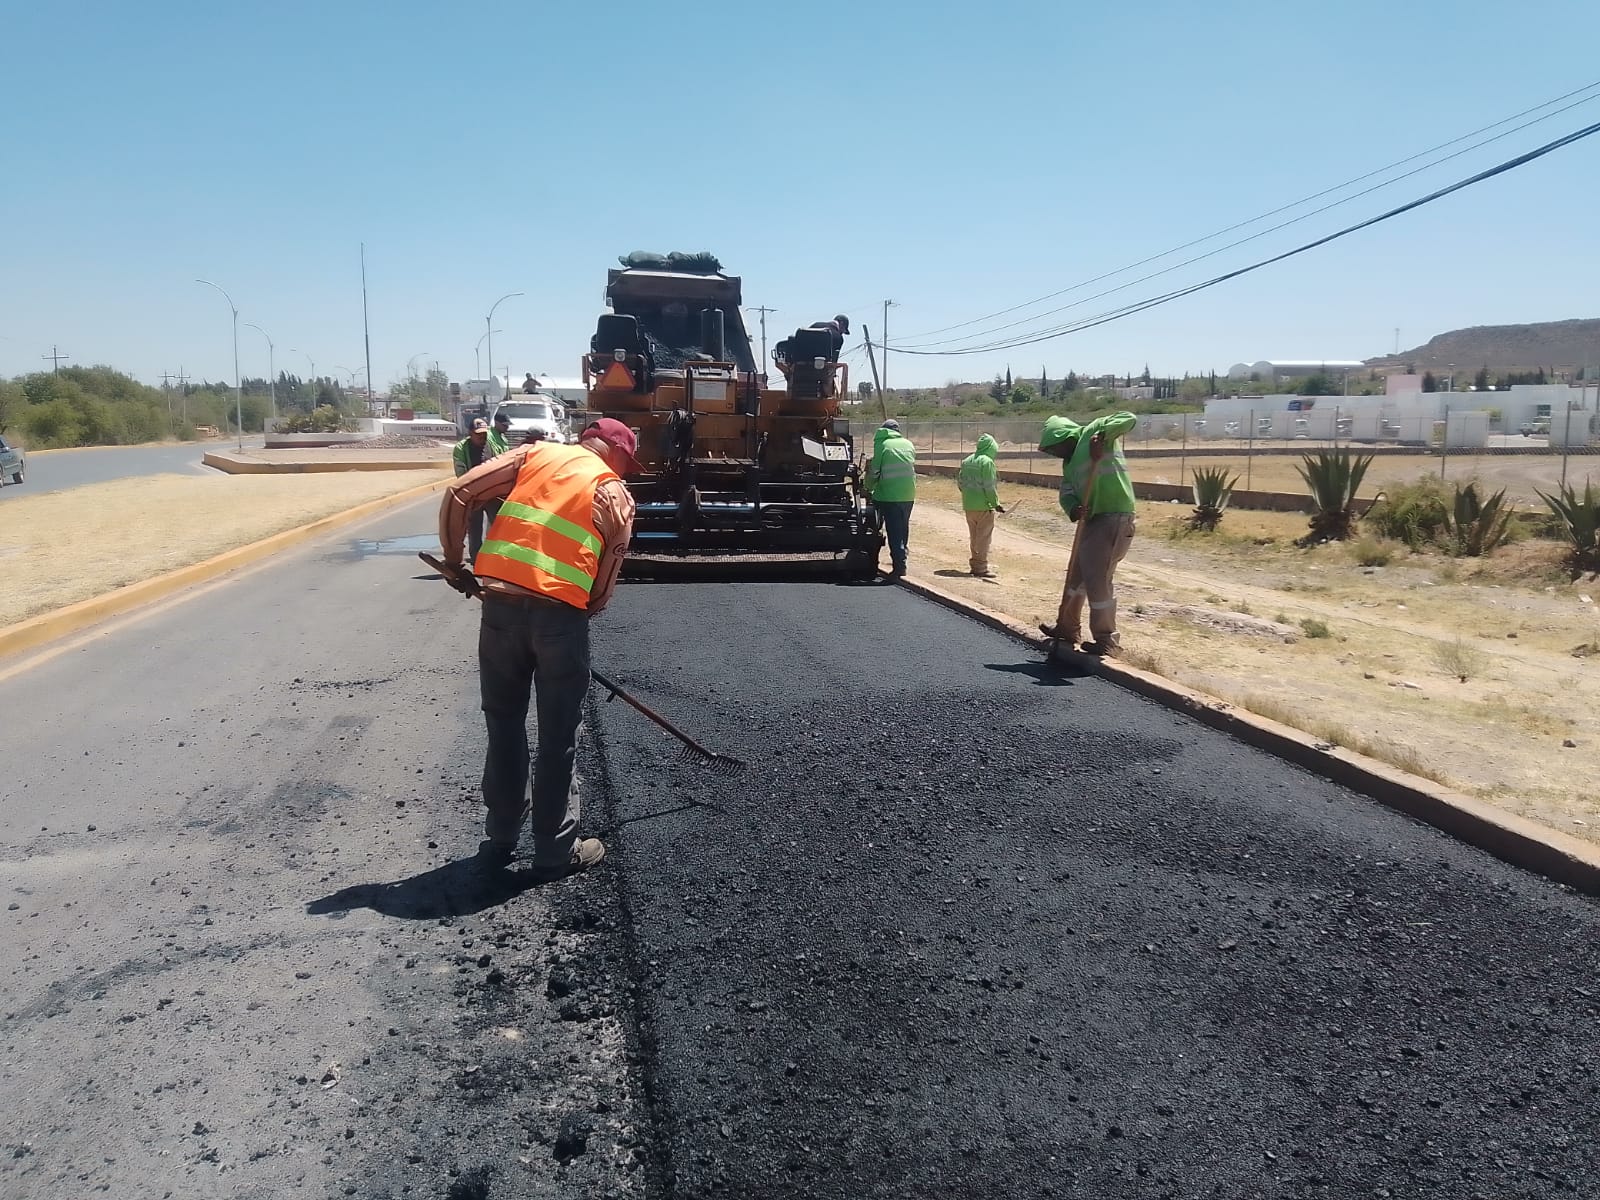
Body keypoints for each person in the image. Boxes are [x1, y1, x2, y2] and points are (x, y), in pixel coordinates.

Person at [438, 418, 640, 879]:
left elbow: (459, 495)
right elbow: (604, 585)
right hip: (561, 619)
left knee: (504, 722)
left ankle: (502, 834)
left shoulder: (533, 455)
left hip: (501, 611)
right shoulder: (614, 494)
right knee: (558, 737)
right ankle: (555, 849)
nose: (627, 471)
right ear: (617, 454)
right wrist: (570, 621)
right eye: (628, 462)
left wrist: (454, 563)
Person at [1036, 412, 1138, 655]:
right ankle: (1067, 628)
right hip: (1091, 520)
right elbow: (1067, 492)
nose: (1055, 454)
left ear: (1066, 437)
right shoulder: (1069, 465)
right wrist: (1074, 508)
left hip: (1114, 516)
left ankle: (1106, 640)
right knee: (1076, 576)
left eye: (1055, 448)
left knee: (1097, 579)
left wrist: (1101, 438)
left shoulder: (1094, 429)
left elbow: (1128, 418)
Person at [865, 418, 917, 576]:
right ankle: (903, 556)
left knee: (892, 530)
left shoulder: (882, 444)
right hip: (908, 494)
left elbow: (875, 470)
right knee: (903, 528)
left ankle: (899, 566)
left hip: (888, 495)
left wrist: (868, 487)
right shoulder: (908, 444)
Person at [956, 433, 1006, 577]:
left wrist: (969, 495)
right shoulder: (987, 462)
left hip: (969, 505)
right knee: (983, 538)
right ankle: (981, 568)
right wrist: (995, 504)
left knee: (974, 537)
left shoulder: (967, 461)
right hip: (984, 506)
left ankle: (975, 564)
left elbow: (960, 483)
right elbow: (989, 487)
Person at [452, 419, 496, 564]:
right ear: (470, 433)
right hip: (473, 495)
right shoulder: (461, 448)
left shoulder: (491, 445)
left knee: (498, 525)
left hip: (491, 494)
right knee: (475, 528)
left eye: (484, 435)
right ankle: (477, 560)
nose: (482, 438)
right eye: (478, 435)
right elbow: (461, 474)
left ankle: (495, 557)